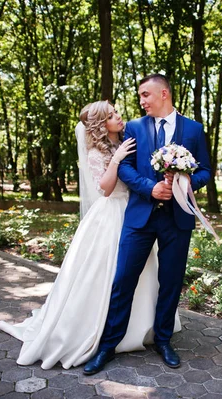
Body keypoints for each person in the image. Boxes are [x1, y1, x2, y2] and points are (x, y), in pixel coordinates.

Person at [0, 100, 181, 369]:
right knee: (106, 275)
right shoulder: (98, 152)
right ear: (100, 125)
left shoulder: (130, 139)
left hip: (138, 213)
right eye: (112, 115)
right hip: (111, 216)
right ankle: (102, 335)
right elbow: (105, 189)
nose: (119, 117)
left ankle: (143, 329)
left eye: (117, 112)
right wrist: (116, 160)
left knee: (142, 274)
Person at [83, 74, 211, 375]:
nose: (141, 102)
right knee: (123, 279)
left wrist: (185, 181)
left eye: (145, 95)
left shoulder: (194, 129)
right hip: (139, 217)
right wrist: (149, 188)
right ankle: (107, 345)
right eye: (140, 97)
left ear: (163, 93)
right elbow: (123, 166)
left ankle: (163, 340)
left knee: (170, 281)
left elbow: (205, 170)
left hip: (177, 218)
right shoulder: (134, 128)